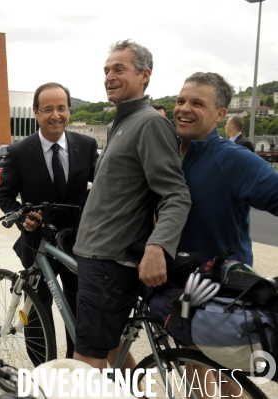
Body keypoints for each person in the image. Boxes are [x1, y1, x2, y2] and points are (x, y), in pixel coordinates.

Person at [72, 40, 191, 371]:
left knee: (85, 363)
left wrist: (158, 245)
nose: (109, 76)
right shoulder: (118, 124)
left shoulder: (149, 123)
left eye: (119, 69)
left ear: (144, 75)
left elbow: (175, 193)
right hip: (97, 255)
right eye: (106, 70)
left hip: (110, 262)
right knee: (107, 346)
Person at [0, 82, 99, 366]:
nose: (56, 115)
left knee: (78, 308)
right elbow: (5, 196)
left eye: (61, 108)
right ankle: (45, 367)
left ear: (69, 110)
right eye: (48, 109)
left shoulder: (86, 145)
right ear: (36, 113)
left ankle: (72, 367)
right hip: (35, 242)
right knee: (35, 310)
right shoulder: (19, 151)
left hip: (78, 242)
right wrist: (22, 216)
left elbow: (102, 187)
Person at [175, 72, 278, 266]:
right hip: (161, 287)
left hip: (219, 291)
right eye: (181, 101)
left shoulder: (237, 160)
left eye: (197, 104)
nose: (184, 109)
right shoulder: (161, 152)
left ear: (220, 115)